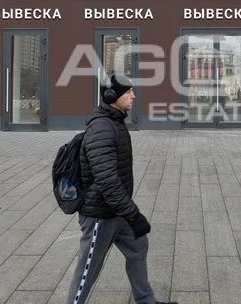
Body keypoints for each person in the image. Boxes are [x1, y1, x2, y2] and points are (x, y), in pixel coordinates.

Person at [67, 73, 176, 304]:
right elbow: (107, 181)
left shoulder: (115, 122)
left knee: (138, 246)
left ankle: (145, 301)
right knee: (87, 272)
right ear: (111, 96)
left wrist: (128, 215)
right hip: (99, 215)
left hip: (116, 210)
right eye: (128, 92)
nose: (133, 96)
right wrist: (134, 215)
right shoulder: (102, 129)